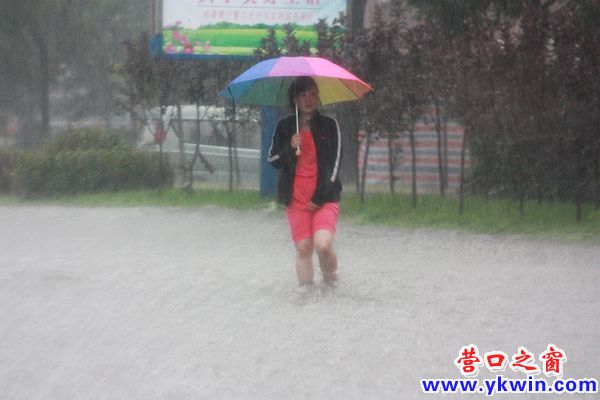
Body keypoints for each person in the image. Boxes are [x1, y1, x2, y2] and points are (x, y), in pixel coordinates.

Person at [268, 77, 342, 287]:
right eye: (302, 95)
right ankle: (307, 295)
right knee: (304, 248)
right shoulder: (284, 126)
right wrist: (290, 147)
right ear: (294, 99)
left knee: (323, 244)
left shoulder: (329, 125)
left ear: (318, 97)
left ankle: (331, 285)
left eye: (312, 94)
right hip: (296, 198)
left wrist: (319, 197)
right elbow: (273, 160)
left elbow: (335, 164)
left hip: (324, 197)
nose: (308, 99)